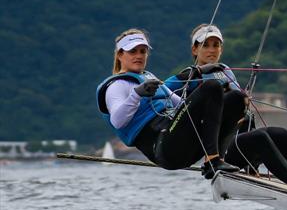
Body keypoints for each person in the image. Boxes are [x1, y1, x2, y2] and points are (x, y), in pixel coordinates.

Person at [165, 23, 287, 188]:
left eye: (216, 45)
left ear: (222, 49)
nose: (211, 50)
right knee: (259, 138)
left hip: (239, 138)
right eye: (205, 45)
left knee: (284, 135)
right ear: (194, 50)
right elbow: (164, 87)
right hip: (221, 148)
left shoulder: (225, 70)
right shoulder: (190, 74)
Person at [96, 28, 240, 177]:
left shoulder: (149, 77)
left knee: (236, 98)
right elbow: (117, 121)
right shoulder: (116, 85)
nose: (139, 56)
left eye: (143, 51)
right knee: (211, 86)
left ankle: (218, 161)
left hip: (182, 140)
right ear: (120, 54)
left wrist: (210, 90)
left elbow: (182, 104)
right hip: (164, 148)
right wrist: (136, 95)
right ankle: (212, 161)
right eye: (133, 52)